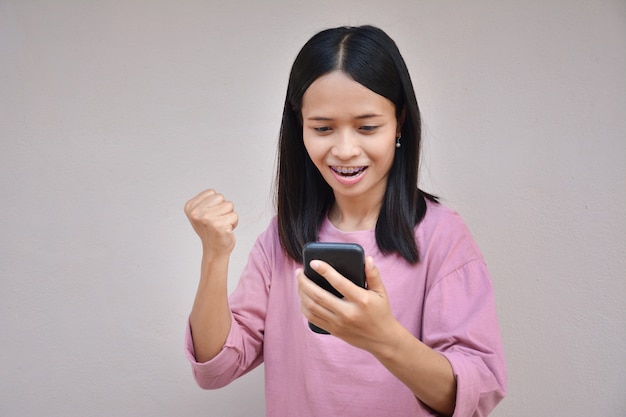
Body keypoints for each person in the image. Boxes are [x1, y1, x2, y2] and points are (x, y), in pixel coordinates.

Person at [183, 25, 506, 417]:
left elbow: (475, 395)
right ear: (298, 126)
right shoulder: (280, 240)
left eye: (368, 127)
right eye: (322, 128)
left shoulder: (442, 238)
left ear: (400, 122)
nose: (345, 150)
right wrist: (215, 256)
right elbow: (215, 368)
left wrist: (383, 338)